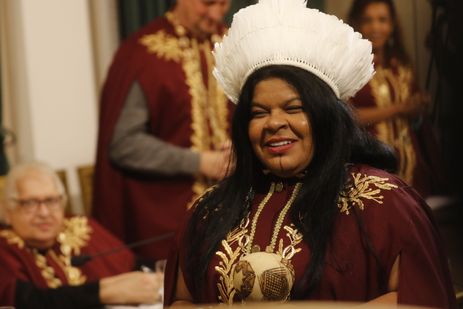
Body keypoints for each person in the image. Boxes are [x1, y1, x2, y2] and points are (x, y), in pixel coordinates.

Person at [163, 0, 457, 307]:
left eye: (293, 108)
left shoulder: (386, 203)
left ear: (325, 117)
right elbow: (180, 301)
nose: (274, 123)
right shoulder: (210, 210)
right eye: (259, 112)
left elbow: (420, 300)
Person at [92, 0, 233, 261]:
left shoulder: (233, 47)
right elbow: (125, 144)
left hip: (233, 213)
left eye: (224, 4)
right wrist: (200, 162)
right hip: (164, 219)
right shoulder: (143, 53)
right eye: (208, 3)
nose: (216, 13)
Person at [0, 162, 163, 308]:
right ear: (8, 209)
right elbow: (26, 302)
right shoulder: (4, 247)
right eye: (30, 203)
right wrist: (104, 291)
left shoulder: (81, 225)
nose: (44, 212)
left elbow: (134, 263)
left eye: (51, 201)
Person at [347, 0, 443, 198]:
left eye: (382, 20)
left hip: (413, 167)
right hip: (370, 167)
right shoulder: (349, 68)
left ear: (392, 25)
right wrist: (400, 108)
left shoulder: (401, 66)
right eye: (368, 20)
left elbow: (415, 118)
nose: (376, 27)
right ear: (357, 24)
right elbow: (348, 117)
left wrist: (418, 107)